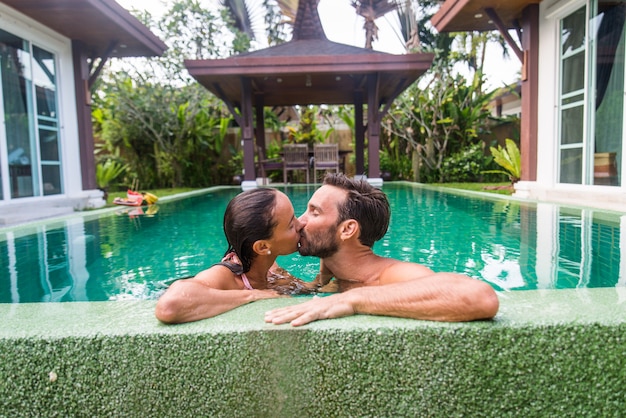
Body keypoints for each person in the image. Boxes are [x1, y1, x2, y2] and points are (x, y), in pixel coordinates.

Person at [264, 173, 500, 327]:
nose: (300, 221)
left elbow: (480, 297)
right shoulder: (338, 270)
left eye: (314, 212)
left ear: (347, 230)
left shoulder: (391, 276)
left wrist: (354, 300)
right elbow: (307, 289)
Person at [155, 188, 317, 324]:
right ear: (262, 247)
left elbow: (309, 289)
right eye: (291, 225)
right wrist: (253, 295)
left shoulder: (271, 269)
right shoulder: (225, 276)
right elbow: (168, 306)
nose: (301, 224)